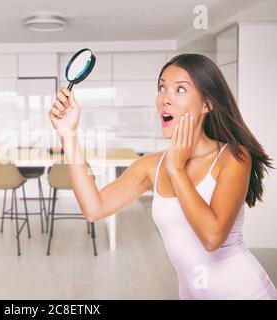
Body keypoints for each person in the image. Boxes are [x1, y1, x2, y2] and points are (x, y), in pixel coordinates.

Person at [48, 53, 277, 300]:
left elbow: (212, 238)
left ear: (207, 104)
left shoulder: (232, 156)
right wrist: (68, 134)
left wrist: (176, 169)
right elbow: (94, 209)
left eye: (180, 89)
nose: (165, 98)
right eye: (161, 87)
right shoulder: (150, 165)